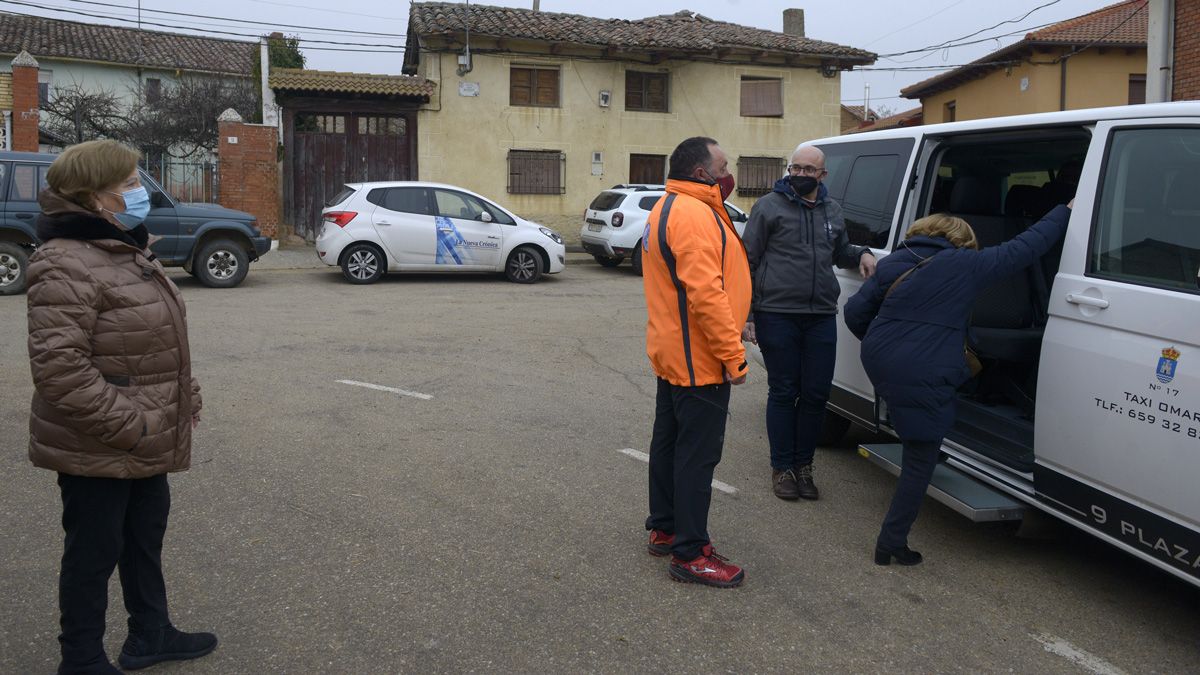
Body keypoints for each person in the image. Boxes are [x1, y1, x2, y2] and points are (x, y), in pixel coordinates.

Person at [26, 140, 216, 673]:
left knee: (142, 539)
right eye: (129, 184)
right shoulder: (64, 262)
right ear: (93, 197)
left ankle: (150, 634)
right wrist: (131, 426)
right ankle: (81, 658)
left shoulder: (124, 247)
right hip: (101, 438)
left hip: (145, 431)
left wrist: (184, 398)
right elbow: (60, 369)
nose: (140, 191)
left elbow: (154, 344)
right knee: (93, 553)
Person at [843, 201, 1072, 566]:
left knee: (923, 417)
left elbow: (854, 313)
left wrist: (889, 344)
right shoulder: (967, 264)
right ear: (960, 240)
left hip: (881, 359)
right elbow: (1026, 246)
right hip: (924, 367)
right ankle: (891, 544)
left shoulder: (895, 262)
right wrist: (1063, 210)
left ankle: (928, 438)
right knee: (921, 456)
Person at [642, 136, 752, 588]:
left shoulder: (669, 205)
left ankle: (665, 526)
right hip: (699, 358)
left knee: (669, 445)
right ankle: (690, 553)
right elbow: (704, 294)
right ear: (703, 172)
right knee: (696, 456)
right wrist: (733, 354)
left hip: (675, 351)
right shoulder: (692, 214)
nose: (730, 173)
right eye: (724, 165)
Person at [741, 144, 876, 501]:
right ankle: (782, 467)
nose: (800, 175)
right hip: (777, 313)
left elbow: (840, 252)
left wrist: (862, 253)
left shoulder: (832, 210)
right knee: (785, 391)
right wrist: (748, 314)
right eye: (795, 169)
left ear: (822, 175)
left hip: (820, 315)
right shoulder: (768, 206)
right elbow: (746, 262)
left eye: (808, 170)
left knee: (816, 394)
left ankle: (804, 466)